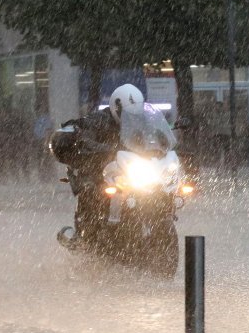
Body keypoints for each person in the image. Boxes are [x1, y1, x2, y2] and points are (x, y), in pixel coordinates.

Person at [51, 83, 175, 241]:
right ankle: (84, 235)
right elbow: (85, 138)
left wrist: (163, 142)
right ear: (117, 107)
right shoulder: (98, 120)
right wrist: (102, 147)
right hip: (100, 166)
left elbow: (153, 135)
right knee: (93, 189)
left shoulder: (142, 120)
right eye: (128, 113)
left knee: (154, 186)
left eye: (135, 113)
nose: (132, 116)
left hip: (128, 167)